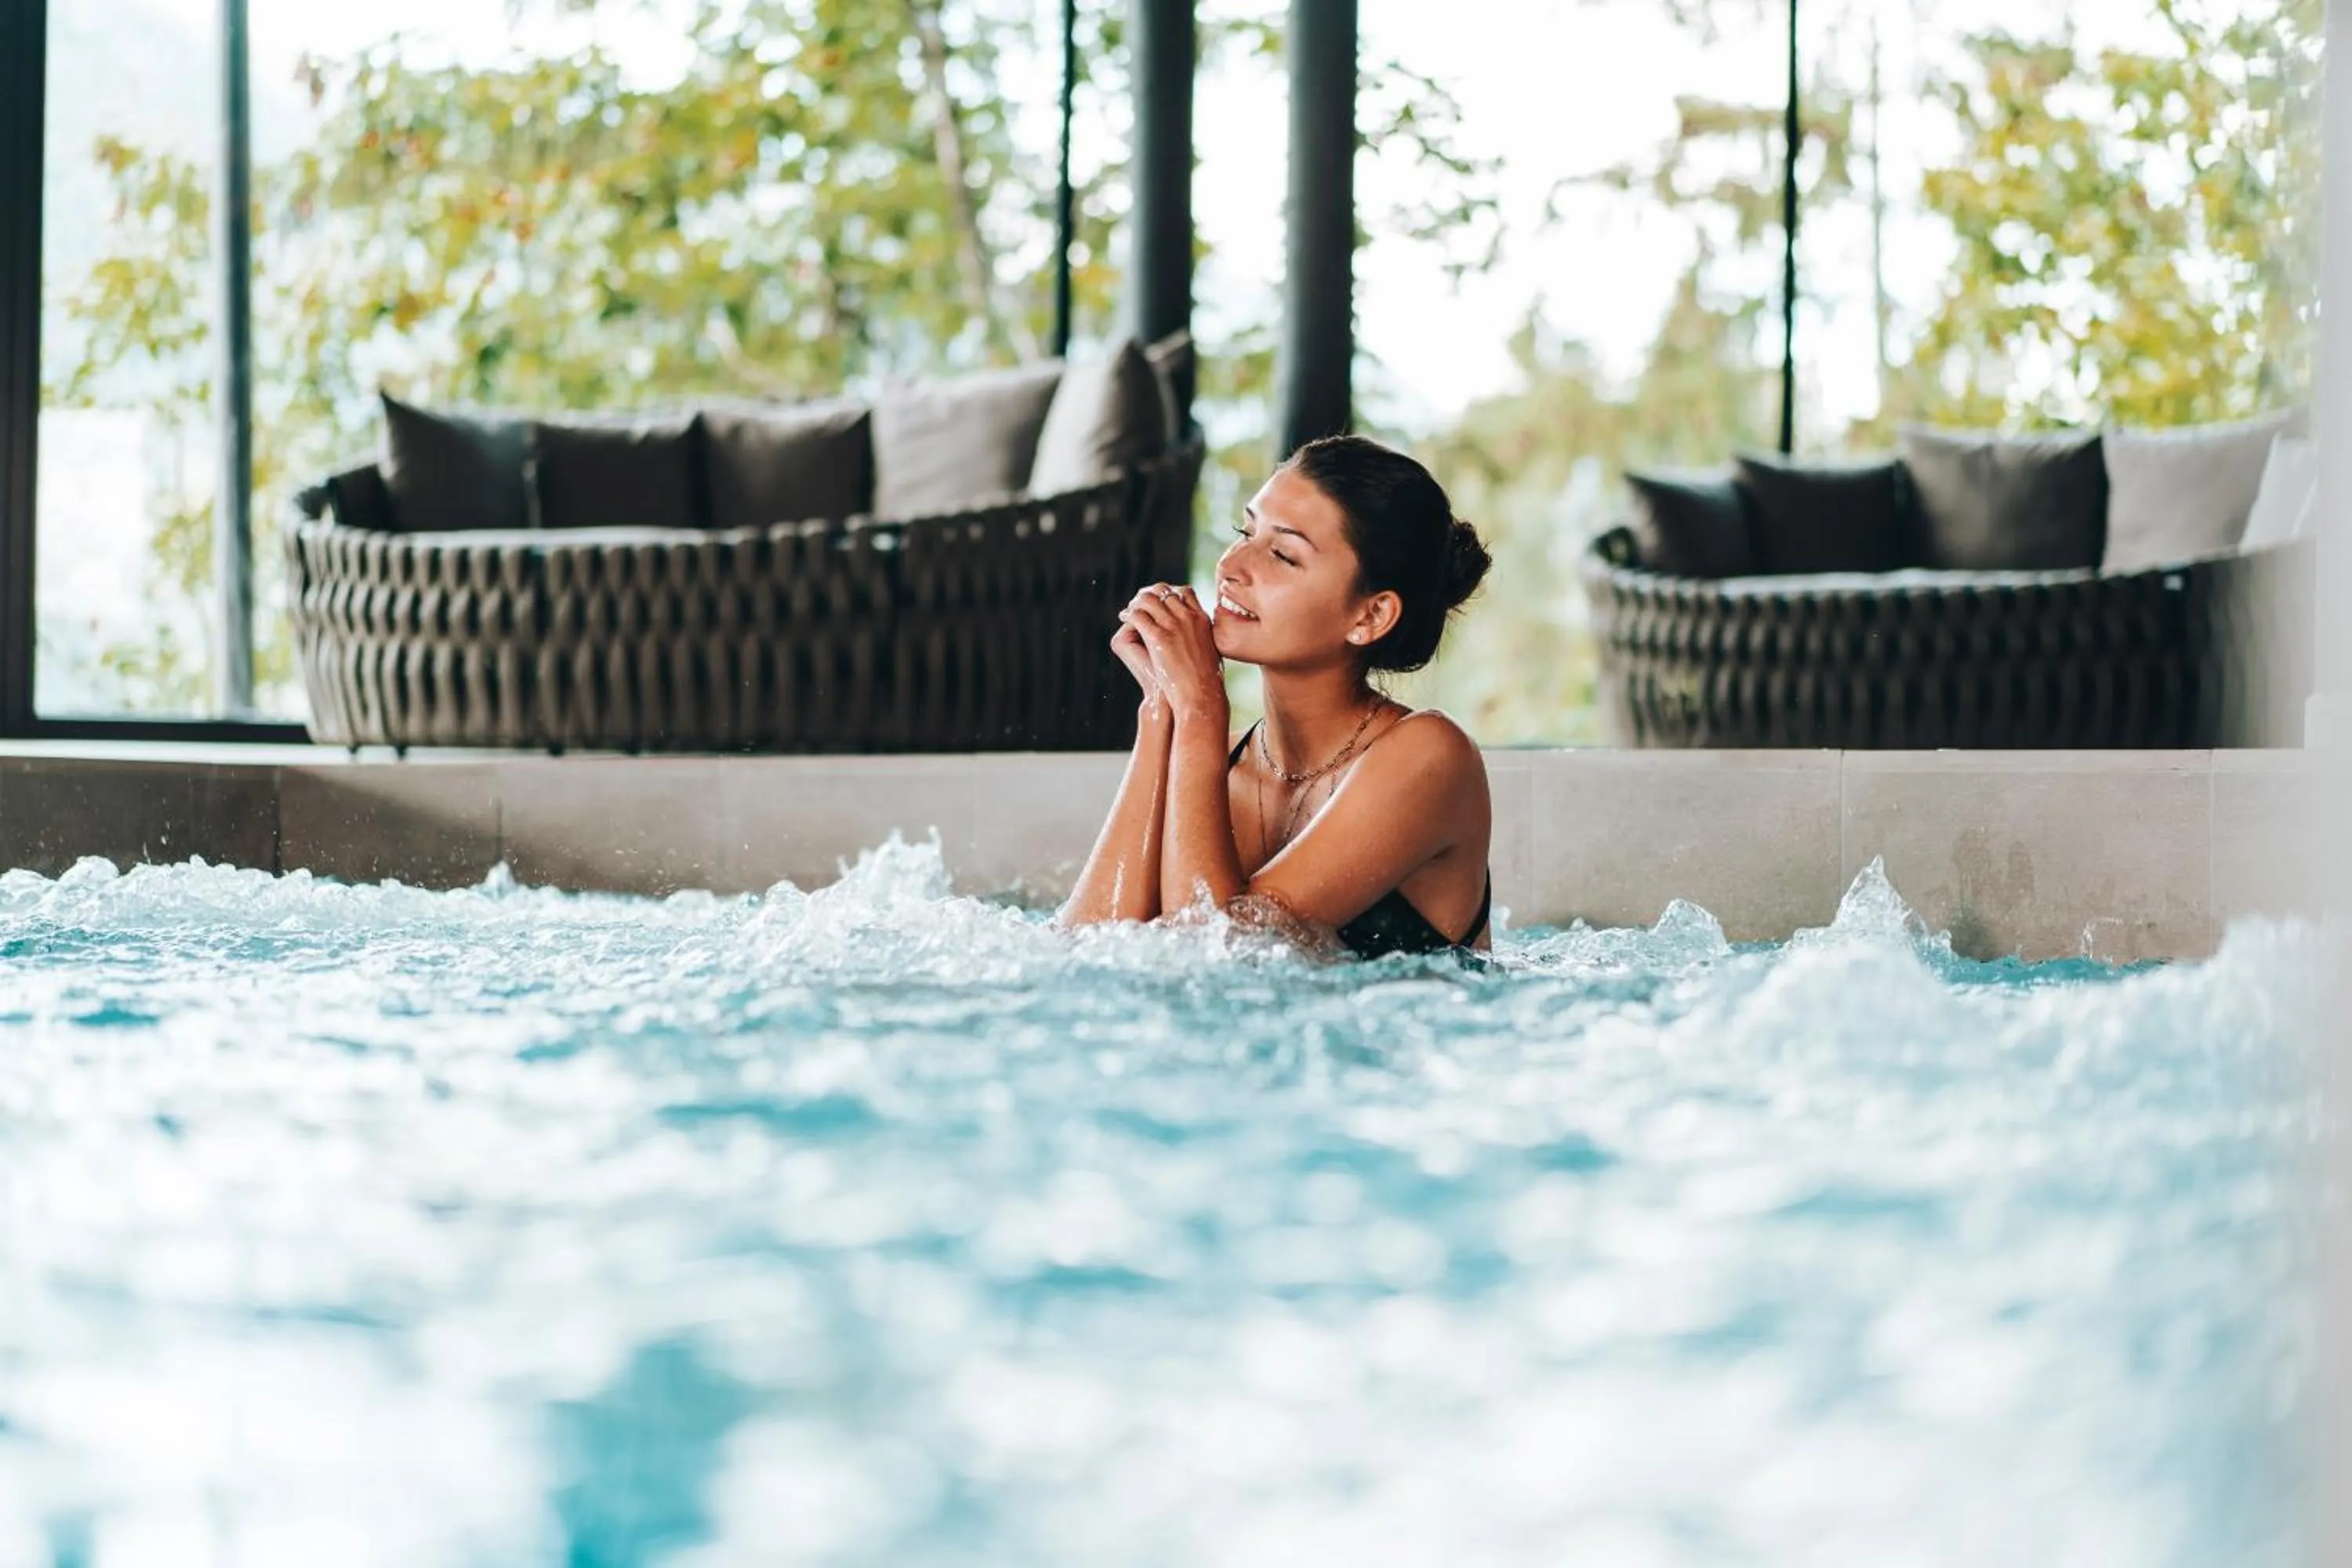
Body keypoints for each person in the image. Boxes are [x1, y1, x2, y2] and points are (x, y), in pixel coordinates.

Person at [1058, 434, 1495, 958]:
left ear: (1370, 616)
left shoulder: (1429, 756)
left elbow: (1217, 962)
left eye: (1283, 555)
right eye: (1244, 531)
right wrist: (1162, 709)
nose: (1232, 566)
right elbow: (1081, 953)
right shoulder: (1212, 759)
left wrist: (1198, 710)